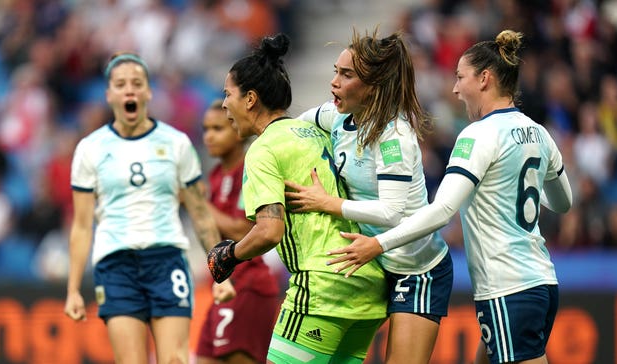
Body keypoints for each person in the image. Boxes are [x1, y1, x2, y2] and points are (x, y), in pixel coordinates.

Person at [330, 30, 573, 364]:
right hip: (543, 281)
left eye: (461, 78)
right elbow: (563, 203)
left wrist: (378, 244)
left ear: (484, 79)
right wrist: (511, 188)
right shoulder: (539, 132)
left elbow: (443, 211)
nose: (456, 89)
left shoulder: (477, 135)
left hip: (506, 286)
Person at [205, 33, 387, 363]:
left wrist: (229, 255)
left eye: (227, 95)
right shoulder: (315, 132)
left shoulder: (262, 150)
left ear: (249, 100)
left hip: (322, 286)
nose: (224, 105)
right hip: (367, 285)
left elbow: (269, 231)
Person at [284, 28, 453, 364]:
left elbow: (391, 211)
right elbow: (292, 130)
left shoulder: (394, 135)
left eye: (346, 75)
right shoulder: (336, 116)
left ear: (373, 87)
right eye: (335, 71)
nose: (334, 82)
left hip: (415, 268)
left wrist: (326, 202)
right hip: (371, 264)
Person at [64, 52, 221, 364]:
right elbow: (82, 225)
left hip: (166, 260)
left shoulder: (176, 143)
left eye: (137, 83)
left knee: (175, 360)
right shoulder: (90, 149)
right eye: (120, 84)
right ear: (109, 94)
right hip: (115, 263)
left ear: (149, 91)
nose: (129, 90)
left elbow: (200, 213)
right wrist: (72, 290)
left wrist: (222, 273)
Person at [196, 99, 280, 364]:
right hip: (224, 284)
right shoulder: (217, 175)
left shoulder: (251, 169)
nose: (208, 136)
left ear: (235, 128)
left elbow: (245, 229)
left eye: (217, 128)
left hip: (247, 285)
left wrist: (199, 205)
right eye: (205, 128)